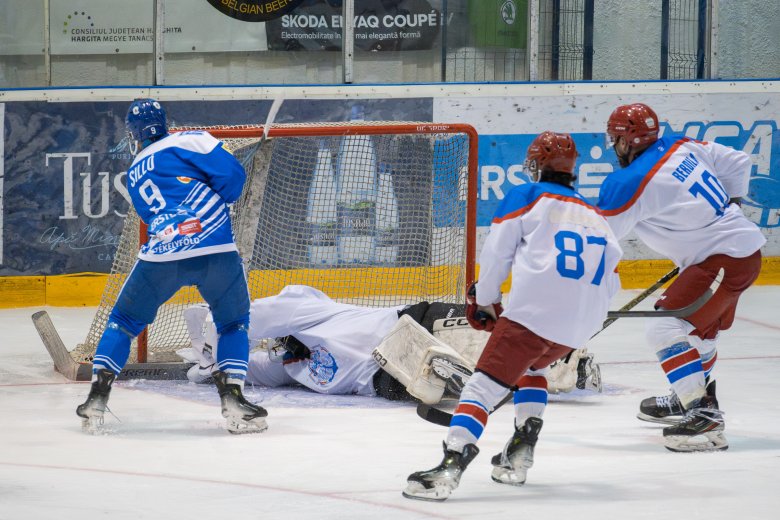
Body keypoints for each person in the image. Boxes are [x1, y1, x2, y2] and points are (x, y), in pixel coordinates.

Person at [402, 131, 622, 501]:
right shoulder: (594, 212)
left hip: (536, 313)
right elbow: (611, 277)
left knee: (481, 386)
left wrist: (485, 300)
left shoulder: (525, 195)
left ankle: (450, 465)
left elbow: (496, 256)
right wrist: (581, 312)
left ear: (536, 166)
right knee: (532, 369)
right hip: (582, 323)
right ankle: (520, 451)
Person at [76, 98, 267, 434]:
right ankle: (233, 398)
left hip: (161, 256)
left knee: (121, 323)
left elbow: (151, 216)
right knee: (233, 324)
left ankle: (96, 398)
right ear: (164, 121)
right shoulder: (188, 139)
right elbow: (233, 178)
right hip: (215, 250)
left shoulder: (135, 170)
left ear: (133, 132)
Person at [597, 103, 765, 452]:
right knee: (699, 334)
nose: (614, 148)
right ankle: (687, 395)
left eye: (615, 140)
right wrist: (728, 209)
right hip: (736, 254)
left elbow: (602, 242)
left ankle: (703, 415)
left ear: (627, 142)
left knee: (664, 327)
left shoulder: (628, 182)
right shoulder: (681, 145)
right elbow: (738, 161)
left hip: (724, 259)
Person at [180, 285, 604, 401]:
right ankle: (462, 380)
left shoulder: (303, 311)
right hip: (385, 376)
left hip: (409, 323)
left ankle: (572, 360)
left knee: (491, 335)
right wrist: (208, 369)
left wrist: (214, 336)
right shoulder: (289, 367)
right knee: (481, 378)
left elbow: (252, 316)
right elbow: (249, 371)